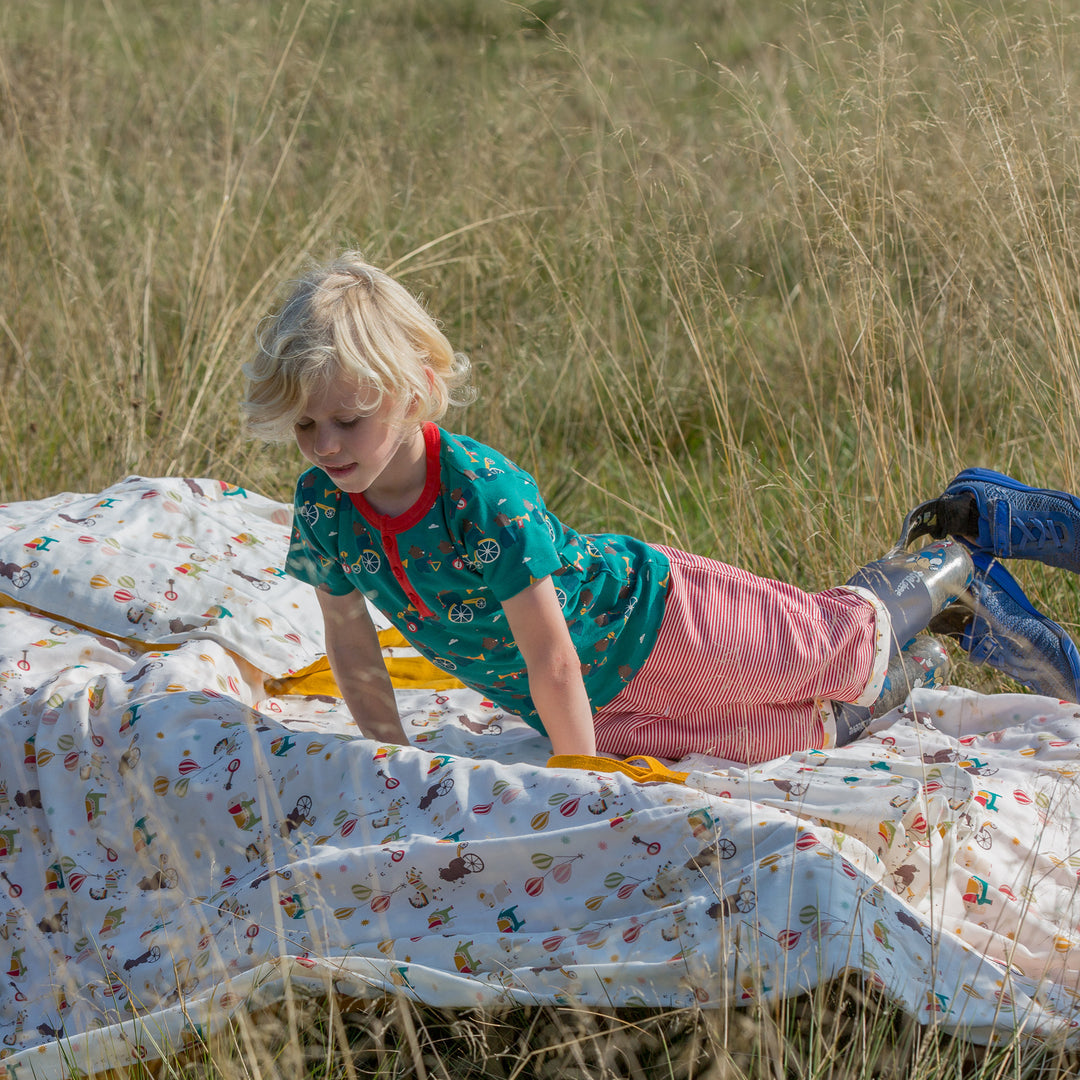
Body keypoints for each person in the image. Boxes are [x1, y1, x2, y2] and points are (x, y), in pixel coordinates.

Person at [242, 252, 1080, 765]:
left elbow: (554, 655)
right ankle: (935, 647)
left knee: (834, 644)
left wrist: (575, 784)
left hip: (656, 617)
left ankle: (962, 541)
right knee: (783, 738)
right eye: (305, 425)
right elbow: (349, 641)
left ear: (418, 390)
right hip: (597, 706)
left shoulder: (478, 496)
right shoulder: (328, 508)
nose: (323, 444)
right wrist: (393, 760)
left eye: (348, 420)